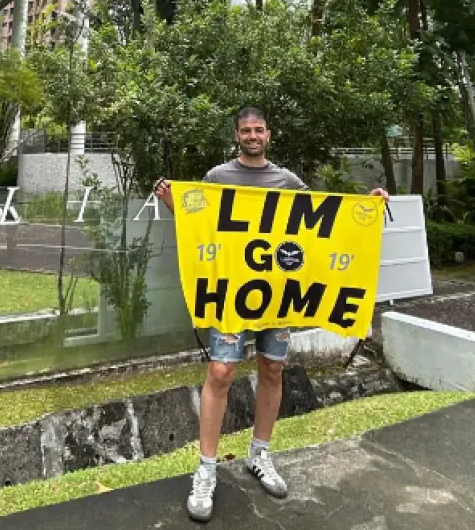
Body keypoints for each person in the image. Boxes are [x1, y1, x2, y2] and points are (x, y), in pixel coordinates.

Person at [153, 106, 389, 522]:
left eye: (258, 129)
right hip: (231, 297)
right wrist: (173, 203)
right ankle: (206, 470)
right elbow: (198, 225)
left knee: (273, 370)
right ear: (236, 135)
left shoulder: (287, 181)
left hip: (277, 297)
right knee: (220, 374)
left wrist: (364, 212)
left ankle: (260, 454)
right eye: (245, 130)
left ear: (269, 134)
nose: (252, 135)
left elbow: (322, 227)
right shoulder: (217, 178)